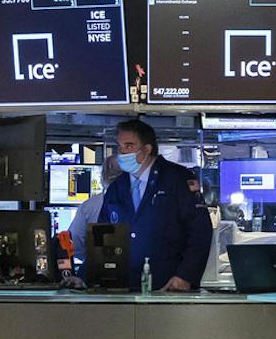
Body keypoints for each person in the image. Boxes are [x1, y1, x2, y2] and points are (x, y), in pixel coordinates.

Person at [89, 118, 211, 291]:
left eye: (129, 146)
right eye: (120, 146)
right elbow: (102, 237)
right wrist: (87, 276)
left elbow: (200, 232)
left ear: (147, 149)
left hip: (169, 286)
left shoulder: (177, 178)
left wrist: (186, 276)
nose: (122, 152)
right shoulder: (117, 187)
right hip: (125, 288)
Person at [60, 153, 117, 281]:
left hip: (95, 271)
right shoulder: (139, 203)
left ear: (103, 176)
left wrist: (90, 258)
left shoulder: (89, 206)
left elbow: (74, 242)